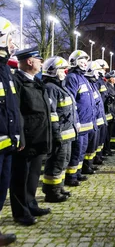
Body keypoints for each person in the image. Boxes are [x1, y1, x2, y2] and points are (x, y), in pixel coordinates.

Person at [11, 47, 52, 226]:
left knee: (33, 175)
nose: (41, 63)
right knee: (20, 177)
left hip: (38, 136)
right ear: (29, 61)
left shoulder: (36, 81)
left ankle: (31, 203)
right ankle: (21, 212)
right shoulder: (17, 81)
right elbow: (16, 111)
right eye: (39, 60)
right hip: (26, 138)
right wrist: (20, 135)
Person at [41, 56, 77, 202]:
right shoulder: (50, 88)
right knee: (56, 162)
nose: (65, 72)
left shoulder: (60, 86)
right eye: (62, 69)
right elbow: (52, 113)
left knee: (63, 161)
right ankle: (51, 192)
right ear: (53, 71)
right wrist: (56, 134)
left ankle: (59, 186)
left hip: (67, 133)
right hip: (60, 133)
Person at [0, 17, 19, 244]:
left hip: (6, 143)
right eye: (8, 37)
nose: (12, 43)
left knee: (1, 189)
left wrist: (17, 136)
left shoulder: (4, 71)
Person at [65, 50, 96, 186]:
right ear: (74, 62)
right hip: (79, 123)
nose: (84, 63)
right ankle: (71, 177)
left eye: (85, 61)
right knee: (76, 151)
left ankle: (77, 173)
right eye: (81, 60)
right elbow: (71, 102)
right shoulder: (72, 77)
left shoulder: (83, 78)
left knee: (82, 150)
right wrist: (75, 120)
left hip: (87, 123)